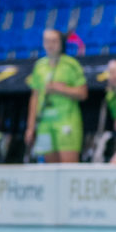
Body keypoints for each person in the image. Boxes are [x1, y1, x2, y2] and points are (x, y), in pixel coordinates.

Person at [24, 28, 88, 163]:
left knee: (68, 170)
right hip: (44, 124)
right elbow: (34, 98)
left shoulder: (71, 64)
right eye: (47, 41)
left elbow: (83, 94)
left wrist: (61, 89)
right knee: (50, 170)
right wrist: (30, 127)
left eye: (54, 41)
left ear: (61, 43)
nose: (50, 45)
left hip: (67, 122)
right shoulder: (39, 66)